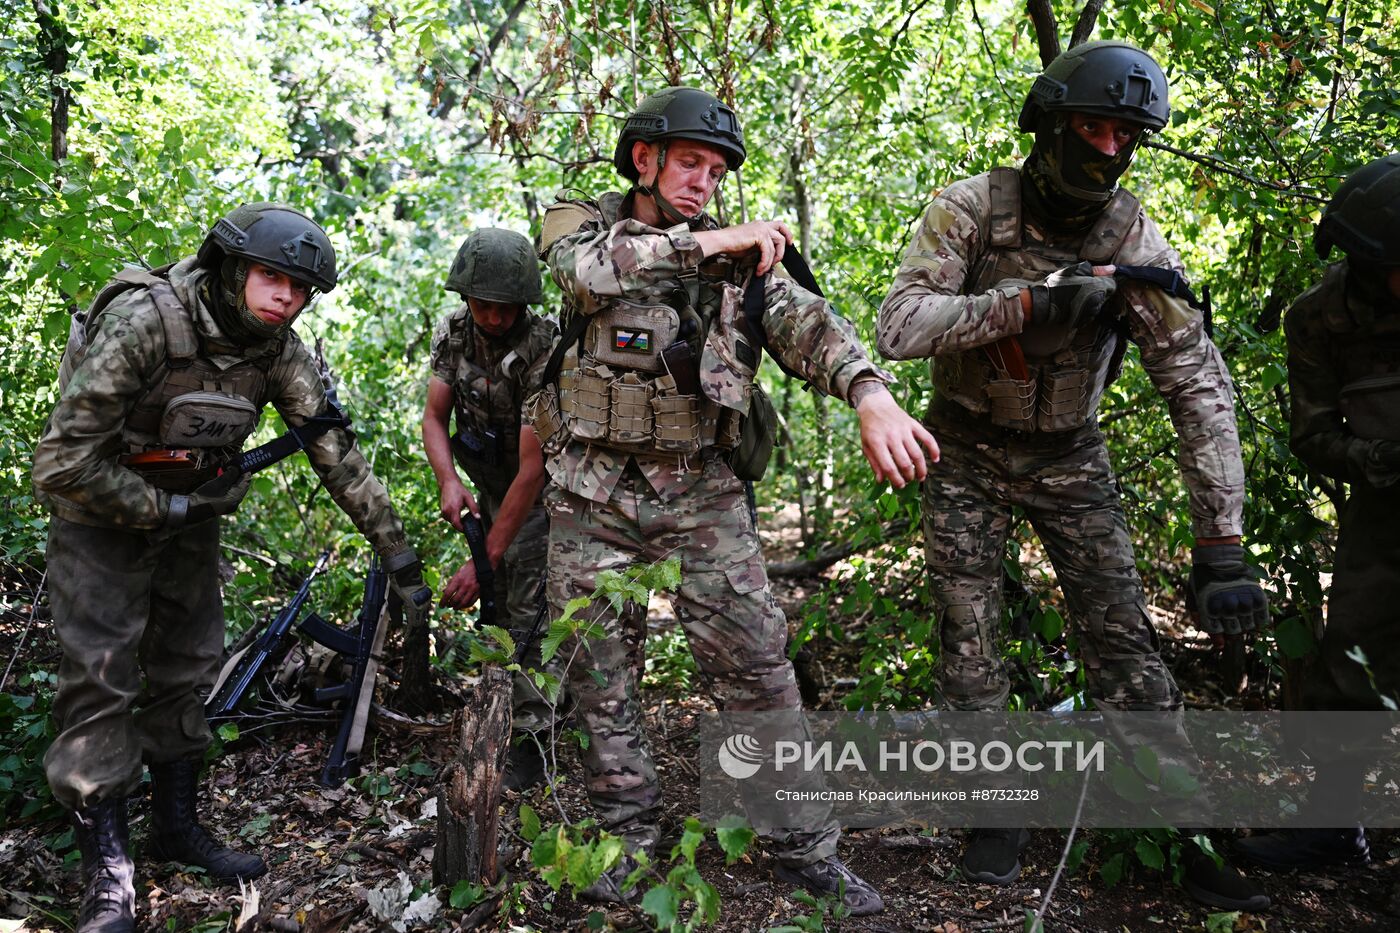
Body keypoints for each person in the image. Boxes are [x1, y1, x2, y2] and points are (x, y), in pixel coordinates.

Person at [876, 41, 1270, 911]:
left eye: (1123, 135)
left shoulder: (1128, 234)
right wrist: (1021, 303)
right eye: (1090, 128)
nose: (1106, 150)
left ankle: (1177, 823)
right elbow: (899, 325)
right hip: (966, 448)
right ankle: (995, 808)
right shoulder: (972, 208)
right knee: (968, 634)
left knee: (1124, 636)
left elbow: (1195, 379)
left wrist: (1223, 541)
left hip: (1069, 451)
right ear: (1050, 125)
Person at [529, 86, 940, 915]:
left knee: (758, 671)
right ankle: (627, 840)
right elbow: (587, 273)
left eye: (716, 172)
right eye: (690, 163)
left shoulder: (744, 262)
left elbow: (807, 324)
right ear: (643, 159)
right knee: (600, 679)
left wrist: (869, 393)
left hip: (702, 495)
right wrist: (712, 240)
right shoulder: (579, 220)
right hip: (589, 494)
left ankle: (801, 844)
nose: (704, 182)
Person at [31, 203, 432, 933]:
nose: (284, 296)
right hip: (99, 517)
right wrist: (165, 506)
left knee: (187, 665)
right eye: (272, 277)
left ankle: (175, 827)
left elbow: (334, 453)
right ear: (232, 267)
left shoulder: (277, 350)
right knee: (100, 678)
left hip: (188, 515)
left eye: (299, 287)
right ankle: (108, 878)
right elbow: (59, 463)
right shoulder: (148, 324)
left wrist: (400, 556)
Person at [1234, 153, 1400, 871]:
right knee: (1351, 664)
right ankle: (1336, 825)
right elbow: (1312, 434)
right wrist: (1366, 459)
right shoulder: (1320, 320)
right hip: (1386, 511)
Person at [422, 227, 560, 789]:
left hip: (545, 491)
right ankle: (495, 709)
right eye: (484, 305)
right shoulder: (454, 334)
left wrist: (484, 563)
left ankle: (533, 740)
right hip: (488, 486)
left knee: (527, 606)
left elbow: (534, 466)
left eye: (507, 308)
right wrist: (448, 481)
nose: (495, 318)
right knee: (498, 605)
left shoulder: (543, 347)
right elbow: (435, 417)